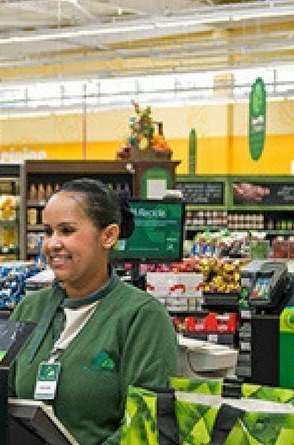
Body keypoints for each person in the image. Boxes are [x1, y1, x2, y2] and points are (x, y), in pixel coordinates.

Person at [9, 178, 177, 445]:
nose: (52, 244)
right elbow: (2, 402)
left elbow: (144, 426)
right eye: (48, 231)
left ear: (108, 235)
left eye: (66, 230)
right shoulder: (29, 308)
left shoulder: (141, 317)